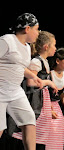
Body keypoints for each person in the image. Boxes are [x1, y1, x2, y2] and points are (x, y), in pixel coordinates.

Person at [0, 13, 43, 150]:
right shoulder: (7, 40)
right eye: (36, 29)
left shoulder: (27, 47)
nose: (38, 33)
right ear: (27, 29)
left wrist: (33, 76)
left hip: (15, 90)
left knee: (29, 121)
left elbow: (19, 67)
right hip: (0, 90)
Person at [12, 31, 58, 150]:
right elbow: (31, 82)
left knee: (41, 135)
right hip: (35, 101)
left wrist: (50, 107)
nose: (55, 48)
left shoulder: (45, 62)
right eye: (54, 45)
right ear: (46, 46)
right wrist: (49, 82)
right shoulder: (37, 61)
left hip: (42, 100)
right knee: (33, 134)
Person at [46, 47, 64, 150]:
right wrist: (49, 108)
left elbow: (61, 94)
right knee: (51, 127)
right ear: (58, 61)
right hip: (45, 103)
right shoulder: (49, 75)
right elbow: (44, 93)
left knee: (61, 125)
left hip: (56, 104)